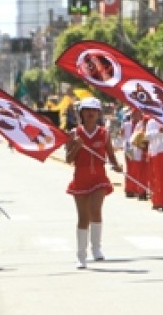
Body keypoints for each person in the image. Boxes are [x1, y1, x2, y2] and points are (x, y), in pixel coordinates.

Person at [64, 97, 122, 269]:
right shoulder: (74, 133)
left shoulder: (104, 134)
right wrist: (76, 146)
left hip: (99, 179)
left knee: (95, 210)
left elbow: (110, 155)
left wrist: (116, 165)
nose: (90, 113)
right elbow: (68, 159)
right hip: (80, 179)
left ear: (98, 114)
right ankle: (81, 256)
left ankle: (96, 248)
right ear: (81, 113)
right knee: (83, 217)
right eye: (87, 110)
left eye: (94, 110)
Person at [121, 108, 149, 199]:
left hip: (138, 149)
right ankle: (129, 189)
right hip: (129, 148)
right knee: (130, 169)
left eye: (138, 114)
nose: (136, 116)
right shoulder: (126, 124)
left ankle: (137, 189)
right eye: (134, 114)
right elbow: (122, 135)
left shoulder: (140, 124)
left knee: (137, 169)